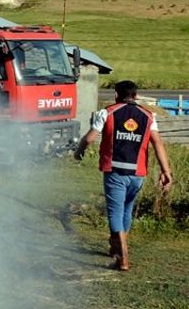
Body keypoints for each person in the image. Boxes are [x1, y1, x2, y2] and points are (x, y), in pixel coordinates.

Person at [74, 80, 173, 271]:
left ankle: (122, 254)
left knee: (115, 211)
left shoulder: (108, 112)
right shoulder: (149, 116)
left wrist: (79, 151)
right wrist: (165, 171)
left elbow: (90, 138)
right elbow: (158, 144)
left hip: (114, 171)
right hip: (137, 174)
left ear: (116, 95)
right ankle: (118, 245)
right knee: (127, 209)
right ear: (135, 96)